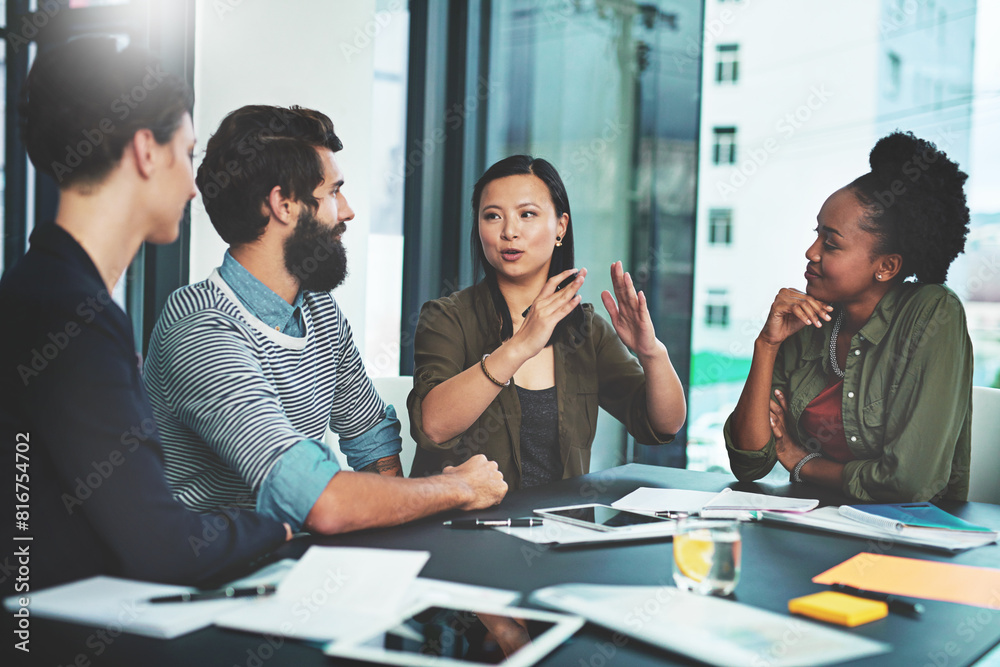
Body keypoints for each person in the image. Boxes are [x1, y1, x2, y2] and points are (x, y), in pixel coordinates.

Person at [0, 39, 289, 594]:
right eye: (187, 152)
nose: (194, 186)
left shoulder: (44, 289)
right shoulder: (70, 315)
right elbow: (162, 548)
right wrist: (280, 527)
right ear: (145, 151)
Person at [143, 105, 506, 535]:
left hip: (300, 559)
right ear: (283, 205)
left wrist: (397, 536)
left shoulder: (319, 310)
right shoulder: (201, 329)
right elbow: (318, 501)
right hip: (218, 569)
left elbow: (370, 435)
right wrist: (457, 488)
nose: (347, 212)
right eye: (334, 192)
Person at [408, 155, 687, 488]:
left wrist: (651, 353)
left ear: (561, 226)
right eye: (493, 216)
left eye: (527, 214)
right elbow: (433, 427)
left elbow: (664, 424)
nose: (509, 232)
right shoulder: (446, 318)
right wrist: (520, 346)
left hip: (561, 520)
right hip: (467, 518)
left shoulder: (585, 330)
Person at [726, 131, 973, 502]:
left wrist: (803, 462)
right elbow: (749, 463)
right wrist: (767, 344)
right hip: (814, 520)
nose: (811, 252)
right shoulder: (809, 320)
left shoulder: (932, 312)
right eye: (816, 234)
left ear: (886, 267)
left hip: (907, 531)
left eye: (831, 243)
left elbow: (908, 482)